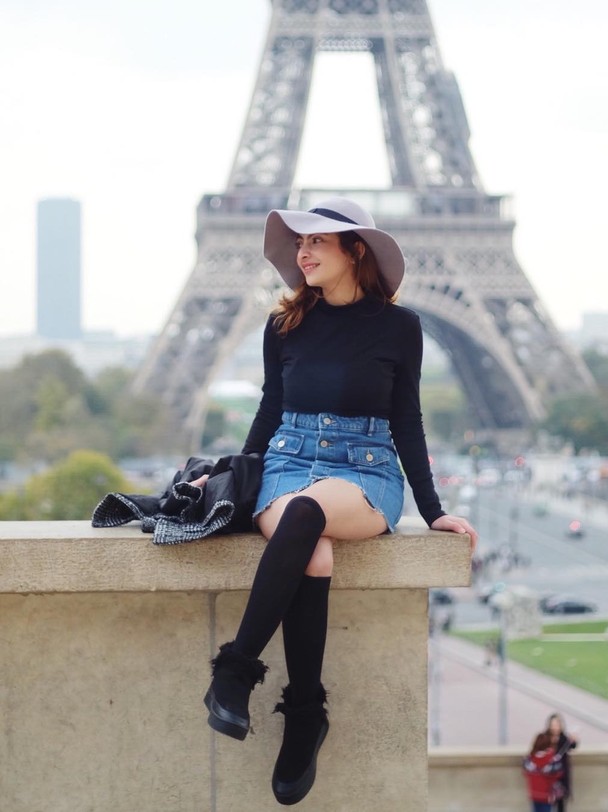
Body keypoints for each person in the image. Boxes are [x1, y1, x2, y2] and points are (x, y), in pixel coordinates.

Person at [200, 196, 478, 806]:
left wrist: (433, 511)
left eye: (316, 242)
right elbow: (270, 408)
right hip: (289, 459)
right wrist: (237, 474)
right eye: (298, 242)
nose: (302, 251)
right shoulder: (284, 324)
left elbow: (407, 416)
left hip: (365, 465)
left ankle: (236, 667)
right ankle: (305, 714)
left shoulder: (400, 327)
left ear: (355, 250)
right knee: (314, 554)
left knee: (306, 515)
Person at [522, 732, 565, 812]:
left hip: (534, 793)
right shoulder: (552, 759)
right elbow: (558, 773)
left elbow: (525, 772)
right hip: (547, 795)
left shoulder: (529, 759)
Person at [545, 713, 578, 811]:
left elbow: (573, 745)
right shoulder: (545, 738)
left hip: (561, 775)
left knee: (561, 803)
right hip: (549, 776)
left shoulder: (564, 738)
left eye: (557, 725)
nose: (555, 728)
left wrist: (573, 740)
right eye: (553, 725)